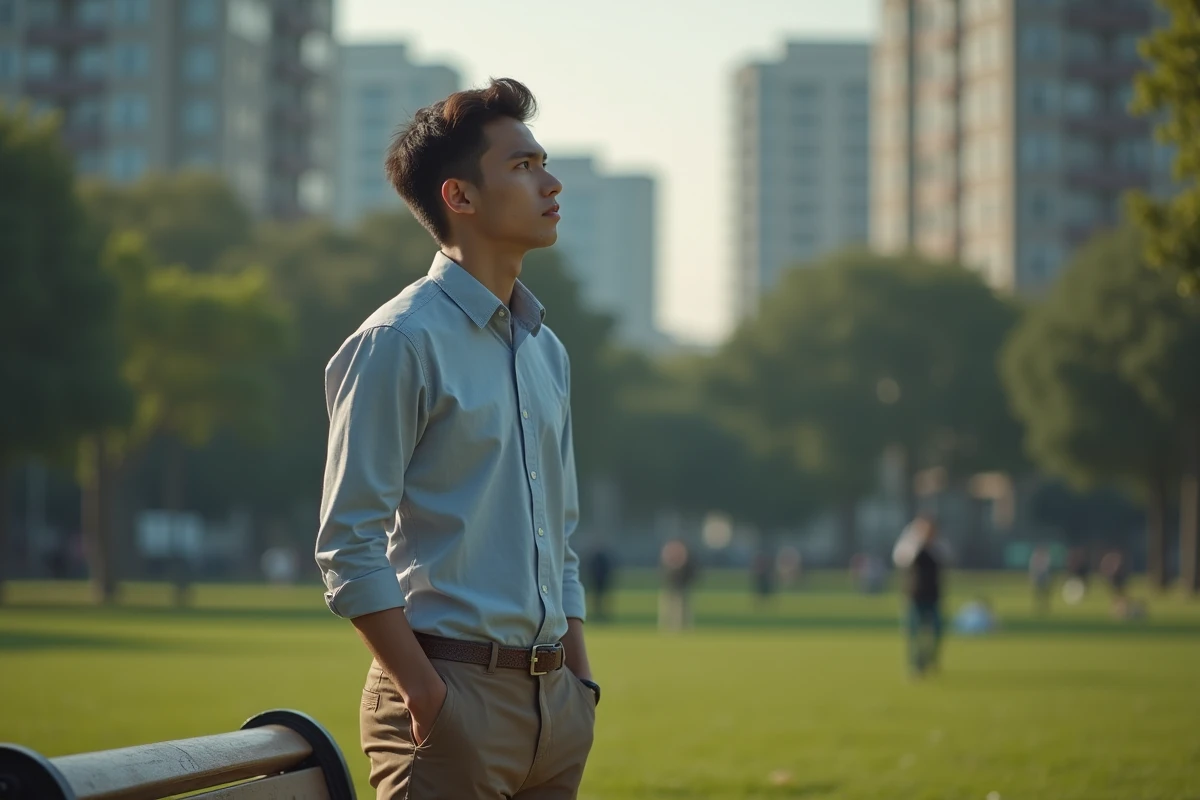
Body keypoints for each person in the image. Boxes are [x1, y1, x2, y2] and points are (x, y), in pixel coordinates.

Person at [315, 79, 598, 799]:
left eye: (543, 160)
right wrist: (427, 693)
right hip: (447, 701)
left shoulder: (547, 351)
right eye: (522, 166)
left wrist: (578, 681)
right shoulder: (398, 342)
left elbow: (559, 540)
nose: (550, 181)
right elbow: (348, 544)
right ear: (459, 197)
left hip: (554, 707)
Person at [893, 515, 944, 678]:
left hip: (933, 596)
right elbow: (902, 559)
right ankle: (915, 665)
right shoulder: (910, 546)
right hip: (914, 597)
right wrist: (916, 541)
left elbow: (948, 558)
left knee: (936, 630)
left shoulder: (937, 547)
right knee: (914, 633)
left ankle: (929, 660)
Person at [659, 539, 697, 631]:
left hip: (681, 587)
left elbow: (691, 573)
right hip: (669, 587)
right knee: (667, 607)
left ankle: (681, 626)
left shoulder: (685, 562)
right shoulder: (668, 562)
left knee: (681, 608)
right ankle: (667, 626)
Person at [1029, 545, 1053, 613]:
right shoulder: (1035, 556)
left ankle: (1045, 606)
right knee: (1038, 593)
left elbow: (1047, 567)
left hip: (1044, 576)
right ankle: (1039, 606)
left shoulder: (1046, 556)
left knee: (1045, 592)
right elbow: (1033, 568)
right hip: (1039, 576)